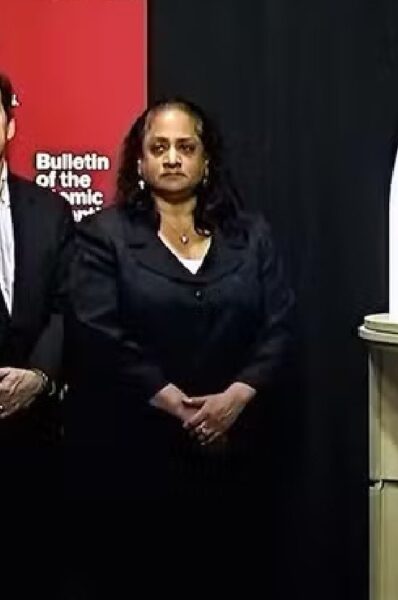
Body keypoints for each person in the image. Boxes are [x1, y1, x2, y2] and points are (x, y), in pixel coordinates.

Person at [66, 97, 294, 598]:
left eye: (185, 147)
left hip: (238, 458)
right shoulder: (104, 236)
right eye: (159, 148)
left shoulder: (251, 235)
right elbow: (97, 331)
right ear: (140, 162)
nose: (172, 158)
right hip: (136, 461)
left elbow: (280, 326)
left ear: (206, 160)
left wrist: (236, 396)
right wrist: (174, 403)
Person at [0, 72, 74, 596]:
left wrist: (40, 376)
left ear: (9, 124)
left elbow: (70, 306)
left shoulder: (51, 210)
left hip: (37, 441)